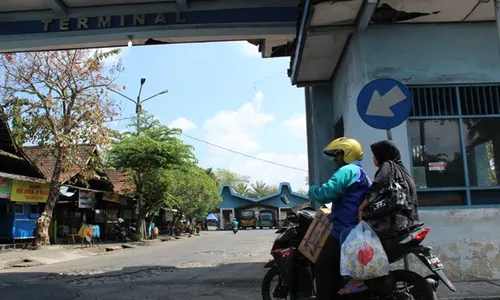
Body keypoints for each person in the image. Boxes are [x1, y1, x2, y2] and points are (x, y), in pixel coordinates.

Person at [339, 140, 419, 295]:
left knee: (347, 235)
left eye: (375, 155)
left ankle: (355, 280)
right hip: (405, 221)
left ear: (383, 155)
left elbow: (378, 186)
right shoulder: (403, 171)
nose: (373, 159)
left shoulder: (387, 165)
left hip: (390, 222)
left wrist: (361, 207)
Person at [308, 137, 371, 300]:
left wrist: (313, 190)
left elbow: (327, 193)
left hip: (342, 229)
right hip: (354, 228)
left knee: (322, 267)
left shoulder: (347, 170)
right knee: (335, 269)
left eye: (337, 154)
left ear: (347, 154)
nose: (335, 159)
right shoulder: (361, 173)